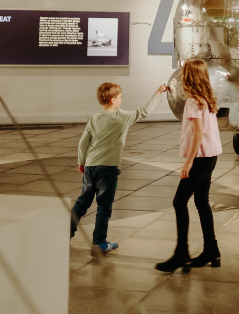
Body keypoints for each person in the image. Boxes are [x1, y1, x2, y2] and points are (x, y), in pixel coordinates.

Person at [72, 82, 168, 252]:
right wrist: (158, 93)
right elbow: (144, 111)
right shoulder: (121, 117)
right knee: (104, 206)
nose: (121, 100)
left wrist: (82, 161)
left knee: (82, 203)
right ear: (112, 100)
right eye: (120, 98)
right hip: (107, 170)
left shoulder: (94, 118)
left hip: (90, 167)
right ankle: (99, 242)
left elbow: (83, 142)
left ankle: (65, 232)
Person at [155, 59, 223, 273]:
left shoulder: (193, 102)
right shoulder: (207, 99)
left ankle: (181, 253)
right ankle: (212, 250)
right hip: (211, 156)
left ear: (189, 77)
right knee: (202, 203)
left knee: (179, 202)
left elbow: (197, 134)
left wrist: (188, 162)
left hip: (201, 158)